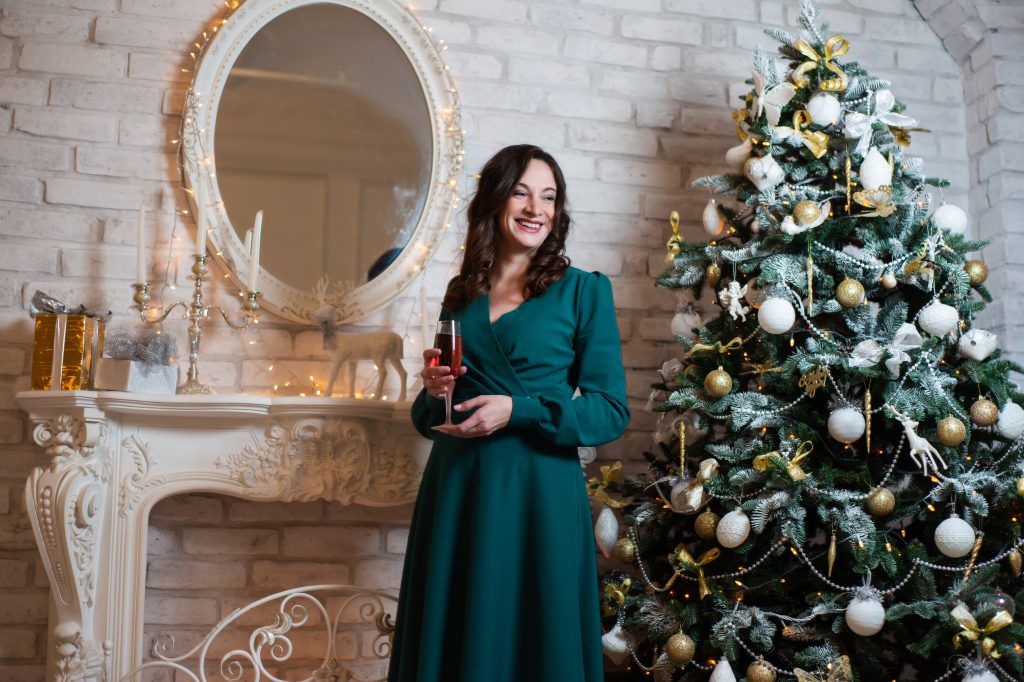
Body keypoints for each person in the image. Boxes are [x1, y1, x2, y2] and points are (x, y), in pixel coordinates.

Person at [387, 144, 630, 682]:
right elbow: (430, 418)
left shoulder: (584, 291)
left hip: (537, 493)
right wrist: (433, 389)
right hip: (458, 489)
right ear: (495, 201)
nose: (534, 208)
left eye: (548, 196)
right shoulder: (462, 291)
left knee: (532, 642)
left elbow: (610, 412)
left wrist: (515, 410)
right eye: (521, 192)